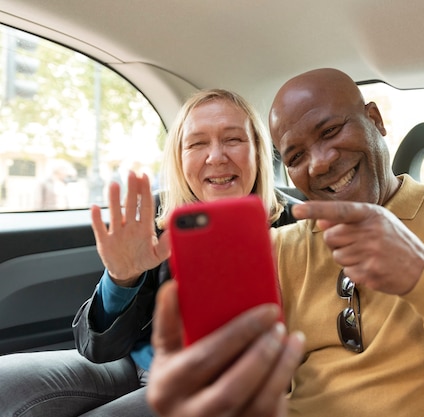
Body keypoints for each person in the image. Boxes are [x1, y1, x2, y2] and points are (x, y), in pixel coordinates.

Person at [146, 68, 424, 417]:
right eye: (296, 156)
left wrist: (423, 275)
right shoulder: (278, 251)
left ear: (375, 119)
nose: (322, 162)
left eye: (330, 132)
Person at [0, 88, 300, 416]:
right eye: (197, 143)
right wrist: (121, 279)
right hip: (132, 364)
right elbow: (98, 349)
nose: (216, 157)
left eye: (233, 140)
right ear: (179, 157)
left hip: (215, 380)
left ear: (258, 149)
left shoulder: (297, 225)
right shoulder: (156, 215)